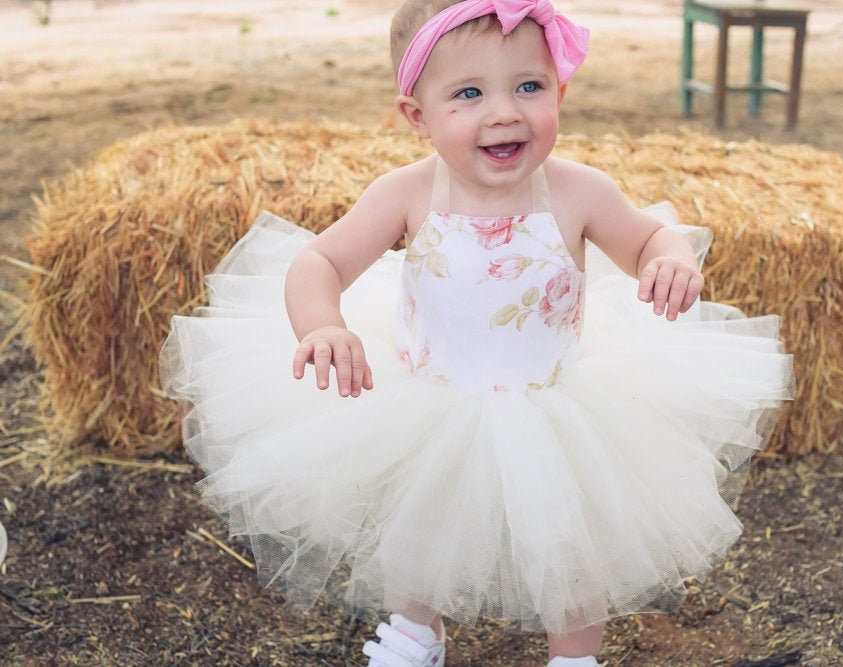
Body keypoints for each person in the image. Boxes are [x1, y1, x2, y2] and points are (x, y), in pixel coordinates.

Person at [160, 1, 795, 665]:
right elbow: (318, 261)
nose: (503, 112)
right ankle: (416, 631)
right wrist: (323, 325)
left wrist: (669, 258)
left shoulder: (579, 191)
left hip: (555, 400)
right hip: (433, 393)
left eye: (529, 86)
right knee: (420, 518)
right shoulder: (405, 193)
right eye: (468, 93)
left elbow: (649, 238)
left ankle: (574, 656)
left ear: (561, 92)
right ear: (417, 114)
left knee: (572, 539)